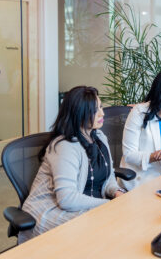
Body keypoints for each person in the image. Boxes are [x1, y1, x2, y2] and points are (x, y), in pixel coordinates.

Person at [19, 86, 125, 243]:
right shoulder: (65, 146)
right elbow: (67, 200)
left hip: (89, 206)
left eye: (101, 107)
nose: (102, 114)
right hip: (53, 210)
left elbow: (108, 178)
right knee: (106, 234)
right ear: (79, 113)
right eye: (94, 110)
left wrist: (116, 192)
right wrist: (106, 204)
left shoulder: (100, 137)